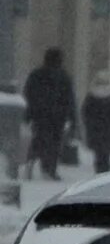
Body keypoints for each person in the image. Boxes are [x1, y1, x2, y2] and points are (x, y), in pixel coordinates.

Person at [21, 49, 74, 181]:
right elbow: (69, 99)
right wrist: (71, 116)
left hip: (40, 115)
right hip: (58, 116)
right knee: (54, 144)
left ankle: (30, 164)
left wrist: (28, 115)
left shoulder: (36, 75)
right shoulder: (63, 76)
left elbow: (28, 95)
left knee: (38, 141)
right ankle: (49, 169)